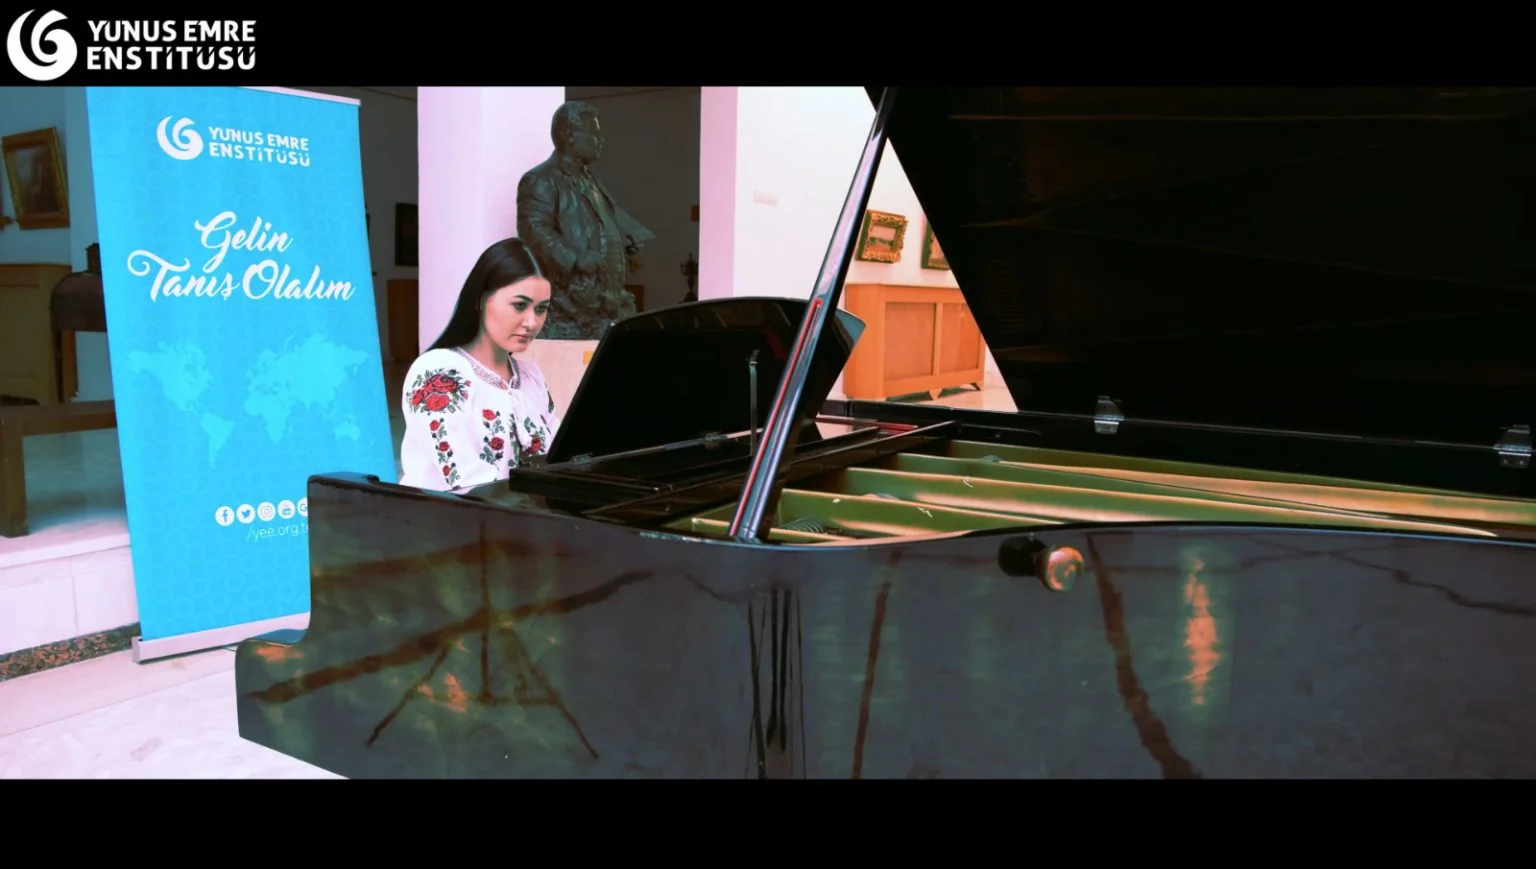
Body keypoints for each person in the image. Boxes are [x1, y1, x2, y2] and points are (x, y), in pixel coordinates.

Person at [399, 238, 562, 492]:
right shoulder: (439, 372)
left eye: (541, 309)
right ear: (479, 299)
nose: (532, 322)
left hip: (524, 513)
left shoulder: (531, 377)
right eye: (519, 305)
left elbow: (558, 460)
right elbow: (466, 483)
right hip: (447, 515)